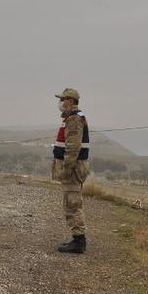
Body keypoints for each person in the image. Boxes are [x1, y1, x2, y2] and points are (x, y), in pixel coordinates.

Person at [52, 88, 90, 253]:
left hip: (73, 170)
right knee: (70, 202)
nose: (60, 103)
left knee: (72, 203)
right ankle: (77, 239)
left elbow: (73, 148)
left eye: (63, 99)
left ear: (71, 101)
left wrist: (67, 168)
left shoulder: (74, 119)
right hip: (73, 168)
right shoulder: (71, 118)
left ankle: (79, 241)